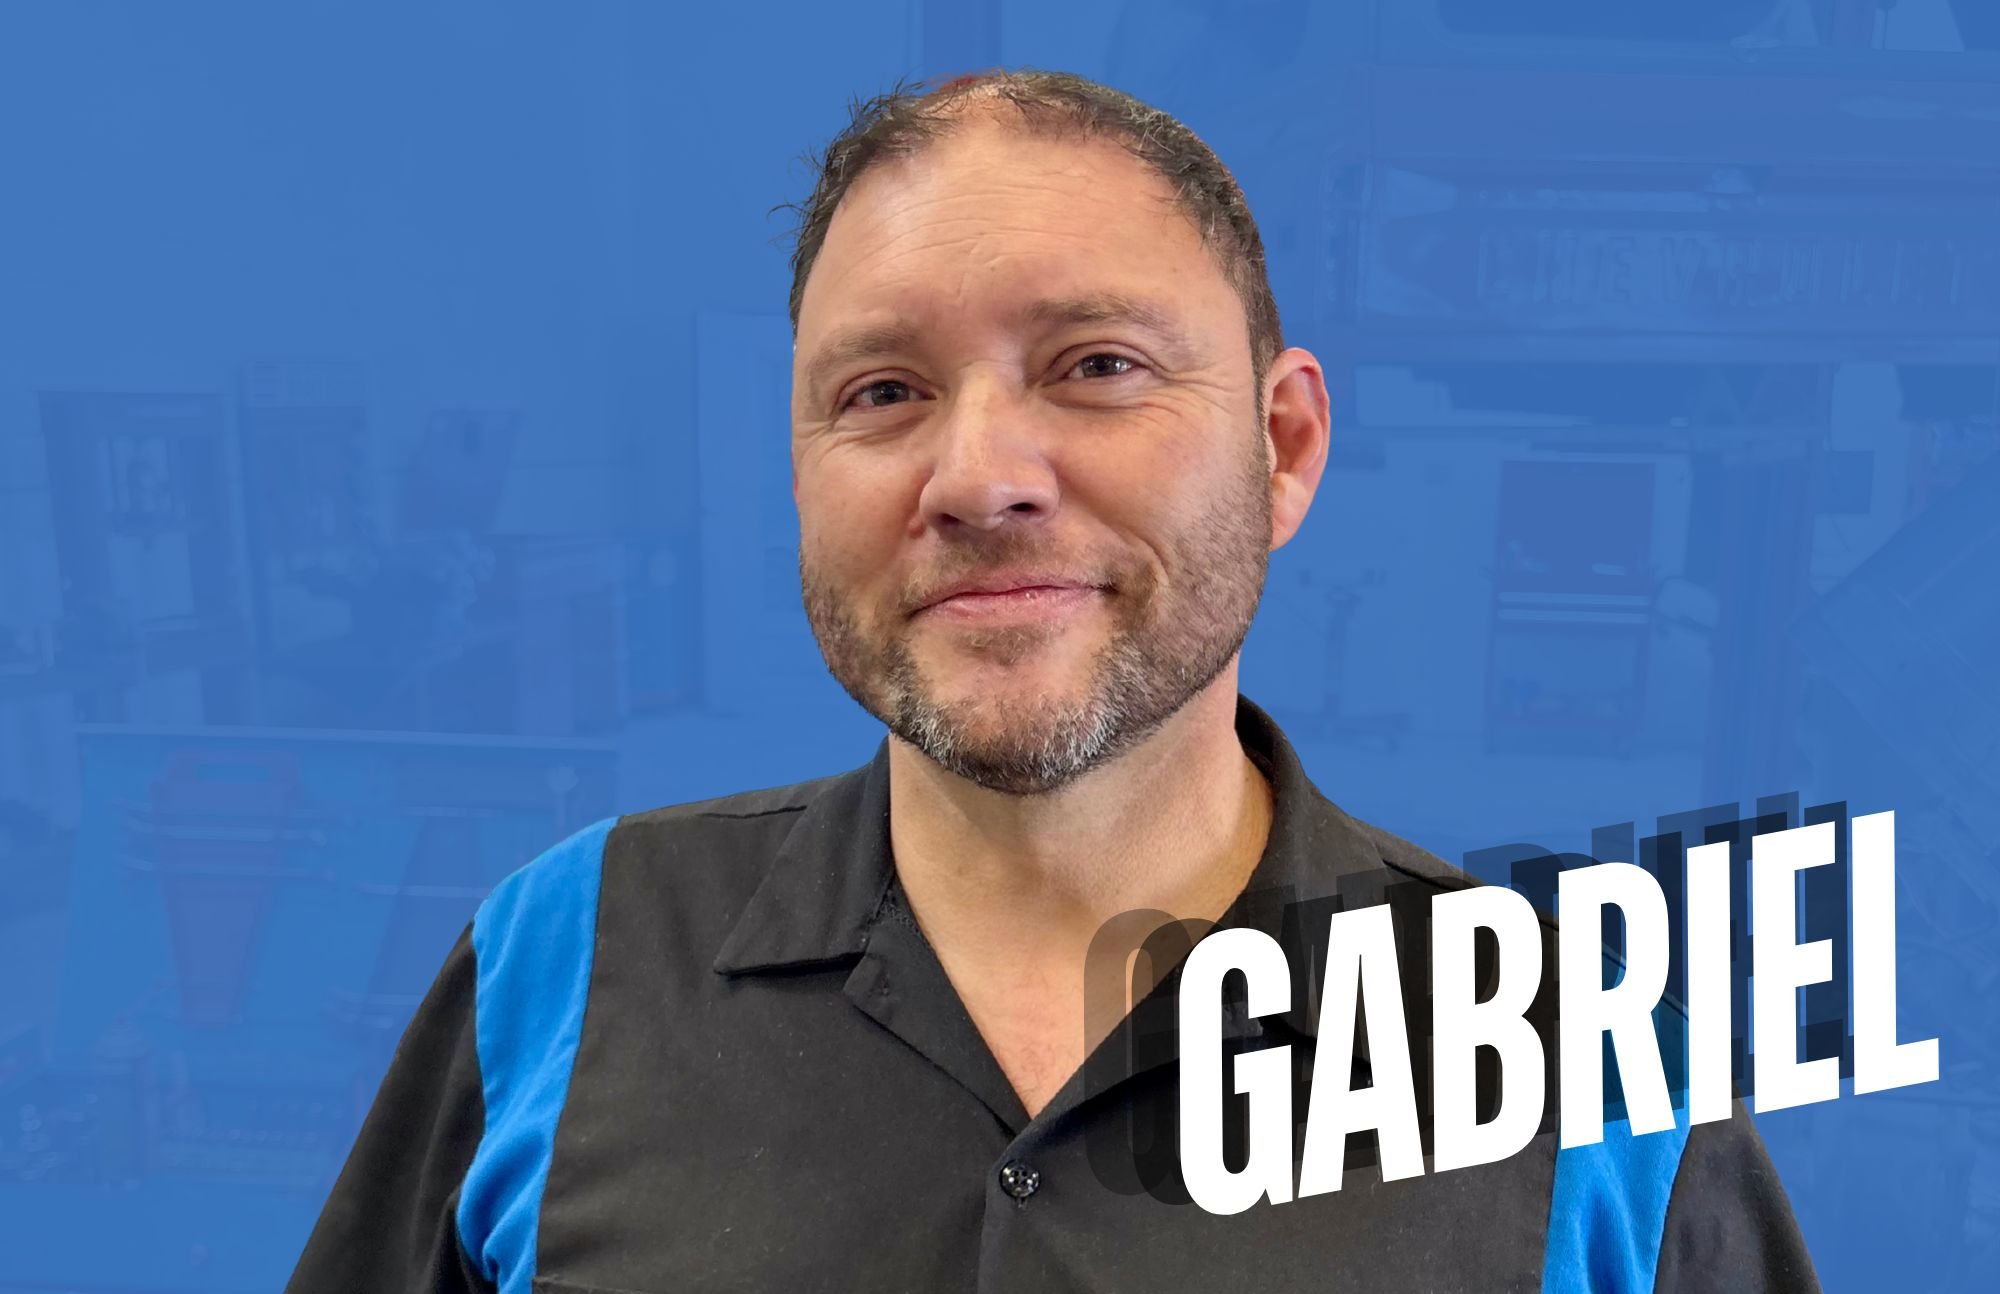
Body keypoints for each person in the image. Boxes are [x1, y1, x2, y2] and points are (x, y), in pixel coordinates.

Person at [284, 70, 1820, 1293]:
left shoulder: (1591, 1060)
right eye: (882, 393)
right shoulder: (562, 959)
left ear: (1283, 445)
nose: (979, 476)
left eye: (1097, 365)